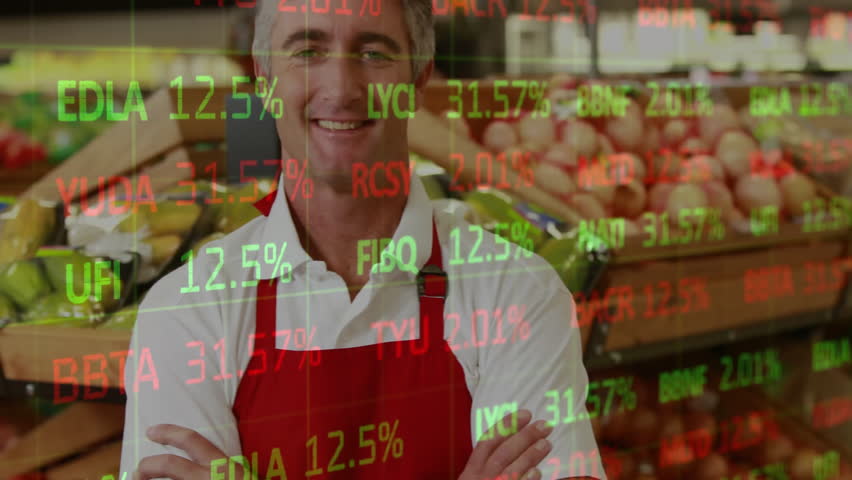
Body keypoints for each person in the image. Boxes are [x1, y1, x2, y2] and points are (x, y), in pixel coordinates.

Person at [119, 0, 604, 478]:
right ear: (264, 80)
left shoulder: (519, 294)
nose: (341, 88)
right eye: (307, 51)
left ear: (417, 80)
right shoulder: (187, 311)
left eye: (373, 53)